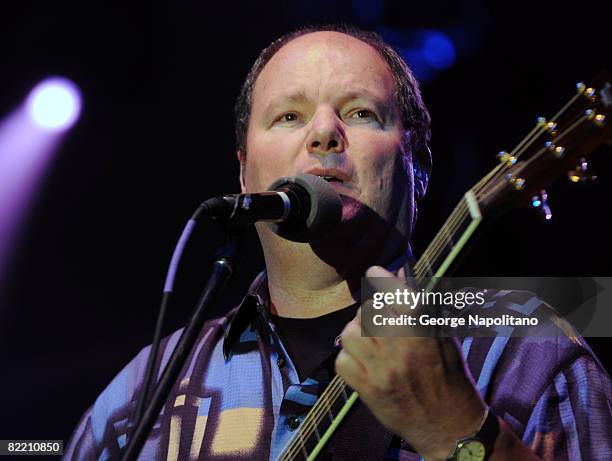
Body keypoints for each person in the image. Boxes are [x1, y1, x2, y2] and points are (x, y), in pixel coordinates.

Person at [65, 24, 612, 460]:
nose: (324, 134)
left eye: (360, 113)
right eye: (288, 116)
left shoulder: (524, 348)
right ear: (244, 175)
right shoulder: (144, 394)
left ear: (417, 167)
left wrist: (458, 433)